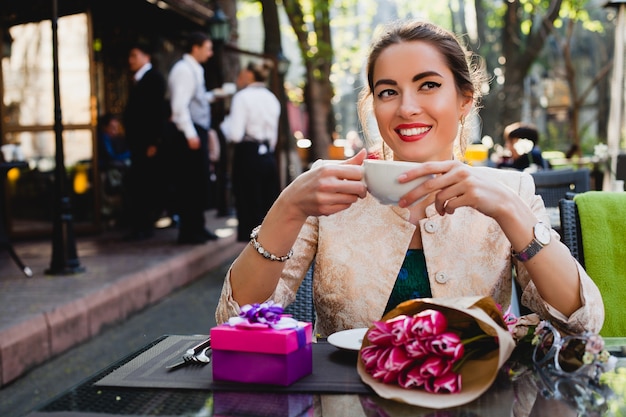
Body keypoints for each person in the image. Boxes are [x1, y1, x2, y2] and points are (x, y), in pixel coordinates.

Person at [215, 19, 603, 338]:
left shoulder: (510, 191)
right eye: (388, 92)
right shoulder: (331, 190)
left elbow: (582, 322)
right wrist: (287, 207)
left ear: (464, 98)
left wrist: (508, 210)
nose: (407, 108)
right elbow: (233, 321)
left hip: (474, 397)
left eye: (429, 85)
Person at [220, 60, 281, 242]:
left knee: (248, 203)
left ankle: (249, 260)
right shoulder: (272, 98)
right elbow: (274, 135)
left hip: (248, 153)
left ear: (249, 75)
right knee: (267, 204)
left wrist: (224, 126)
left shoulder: (242, 97)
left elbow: (236, 135)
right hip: (268, 156)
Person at [167, 31, 219, 244]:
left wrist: (215, 95)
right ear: (195, 47)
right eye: (208, 48)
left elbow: (196, 99)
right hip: (188, 133)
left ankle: (198, 226)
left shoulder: (195, 69)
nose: (211, 53)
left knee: (198, 182)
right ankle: (188, 231)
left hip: (197, 130)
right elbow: (179, 106)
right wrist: (190, 134)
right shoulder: (183, 70)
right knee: (189, 183)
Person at [122, 42, 167, 240]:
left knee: (144, 185)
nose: (130, 60)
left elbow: (156, 112)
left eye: (134, 55)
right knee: (139, 185)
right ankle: (139, 226)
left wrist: (154, 142)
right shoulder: (139, 79)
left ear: (146, 57)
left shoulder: (153, 78)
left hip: (147, 144)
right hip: (138, 144)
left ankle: (144, 226)